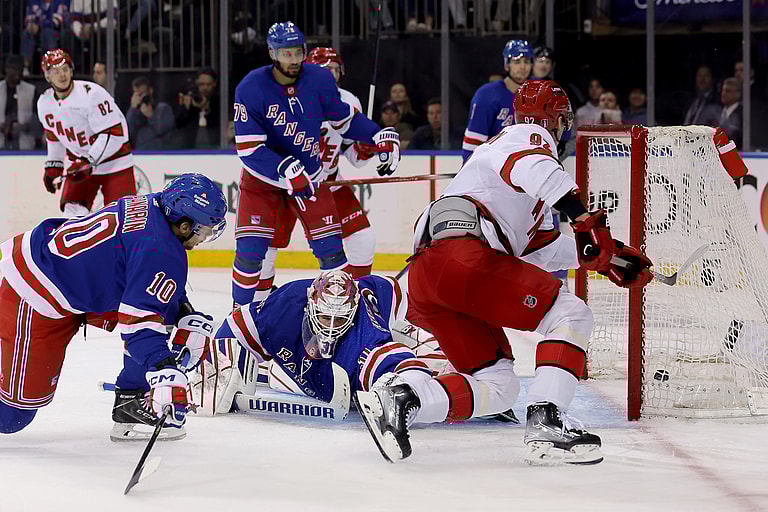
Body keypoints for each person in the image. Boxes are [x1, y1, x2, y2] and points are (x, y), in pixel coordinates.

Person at [363, 80, 653, 465]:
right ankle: (547, 422)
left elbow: (544, 250)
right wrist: (584, 221)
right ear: (555, 121)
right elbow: (535, 168)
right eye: (563, 122)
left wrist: (611, 257)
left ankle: (401, 400)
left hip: (433, 277)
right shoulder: (526, 136)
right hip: (462, 257)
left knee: (498, 387)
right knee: (570, 314)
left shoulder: (514, 187)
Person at [0, 173, 226, 442]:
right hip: (34, 289)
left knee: (160, 311)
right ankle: (132, 398)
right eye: (206, 229)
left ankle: (130, 402)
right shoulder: (159, 250)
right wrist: (163, 368)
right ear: (186, 225)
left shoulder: (156, 206)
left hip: (63, 275)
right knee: (12, 416)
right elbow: (138, 328)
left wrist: (183, 312)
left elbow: (145, 280)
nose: (208, 236)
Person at [231, 22, 400, 308]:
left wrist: (377, 134)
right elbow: (249, 149)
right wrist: (284, 167)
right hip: (263, 183)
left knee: (333, 254)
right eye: (286, 54)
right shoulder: (251, 87)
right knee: (251, 253)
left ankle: (343, 316)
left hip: (310, 180)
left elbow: (345, 121)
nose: (293, 60)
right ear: (272, 53)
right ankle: (240, 319)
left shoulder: (319, 80)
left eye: (297, 52)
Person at [252, 47, 381, 303]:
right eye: (324, 71)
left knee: (363, 240)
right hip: (286, 185)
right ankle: (257, 306)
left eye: (334, 70)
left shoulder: (348, 101)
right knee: (265, 252)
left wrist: (365, 147)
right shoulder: (287, 99)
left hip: (328, 183)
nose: (330, 77)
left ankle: (356, 301)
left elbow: (353, 157)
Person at [37, 49, 136, 218]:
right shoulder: (45, 103)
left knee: (123, 220)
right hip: (81, 166)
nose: (62, 75)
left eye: (65, 69)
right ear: (47, 76)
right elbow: (54, 137)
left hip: (115, 163)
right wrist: (54, 164)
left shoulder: (92, 95)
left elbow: (114, 134)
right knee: (71, 216)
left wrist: (88, 161)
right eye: (56, 71)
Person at [462, 39, 533, 162]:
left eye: (526, 61)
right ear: (506, 65)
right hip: (494, 167)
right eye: (516, 61)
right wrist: (468, 170)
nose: (522, 67)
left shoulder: (539, 94)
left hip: (528, 167)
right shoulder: (486, 95)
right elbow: (474, 141)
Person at [1, 55, 39, 150]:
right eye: (14, 69)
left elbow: (38, 118)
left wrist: (25, 126)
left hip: (25, 146)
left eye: (20, 69)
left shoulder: (31, 90)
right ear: (7, 69)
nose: (18, 72)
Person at [175, 67, 220, 149]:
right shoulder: (191, 97)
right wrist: (188, 109)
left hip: (214, 147)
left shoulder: (219, 101)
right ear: (197, 83)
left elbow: (220, 124)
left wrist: (208, 110)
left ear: (214, 84)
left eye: (208, 84)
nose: (205, 88)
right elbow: (178, 124)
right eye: (202, 84)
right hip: (190, 147)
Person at [126, 76, 175, 149]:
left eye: (143, 94)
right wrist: (132, 108)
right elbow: (127, 133)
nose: (141, 97)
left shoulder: (163, 108)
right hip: (140, 154)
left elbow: (163, 130)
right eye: (138, 95)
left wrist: (151, 116)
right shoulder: (134, 113)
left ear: (150, 91)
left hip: (161, 154)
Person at [719, 77, 743, 150]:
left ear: (738, 94)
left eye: (728, 91)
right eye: (723, 90)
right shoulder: (717, 111)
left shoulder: (742, 114)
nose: (723, 94)